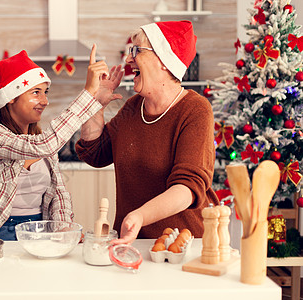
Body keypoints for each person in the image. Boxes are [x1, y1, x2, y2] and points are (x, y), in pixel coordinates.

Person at [76, 21, 219, 244]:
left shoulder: (195, 109)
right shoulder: (134, 107)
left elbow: (187, 189)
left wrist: (140, 215)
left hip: (181, 244)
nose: (128, 59)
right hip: (132, 242)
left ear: (164, 60)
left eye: (137, 50)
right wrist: (95, 104)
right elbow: (94, 153)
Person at [0, 45, 110, 240]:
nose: (45, 100)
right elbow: (43, 145)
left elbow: (58, 192)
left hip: (39, 232)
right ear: (11, 97)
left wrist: (64, 227)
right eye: (36, 92)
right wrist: (88, 91)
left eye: (45, 92)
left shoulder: (40, 137)